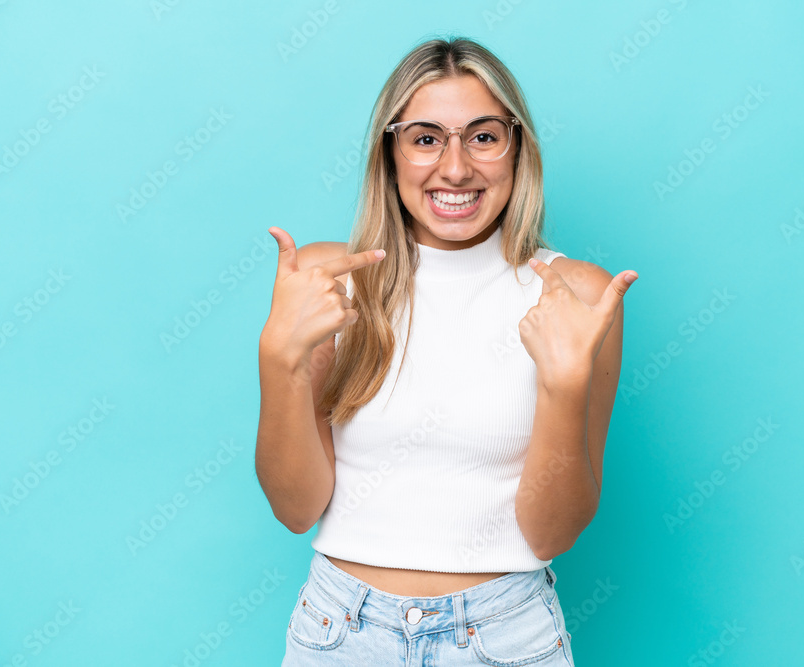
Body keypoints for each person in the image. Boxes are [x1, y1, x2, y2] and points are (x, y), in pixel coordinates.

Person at [256, 35, 636, 666]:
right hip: (340, 633)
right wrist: (279, 362)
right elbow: (296, 509)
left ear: (518, 149)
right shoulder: (327, 280)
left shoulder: (577, 294)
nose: (455, 168)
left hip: (505, 634)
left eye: (483, 137)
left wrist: (564, 387)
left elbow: (553, 531)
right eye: (426, 138)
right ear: (391, 153)